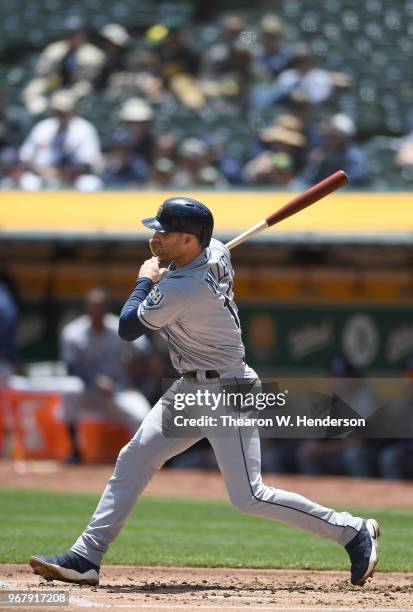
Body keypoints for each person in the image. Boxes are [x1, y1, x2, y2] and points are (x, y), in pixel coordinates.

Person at [30, 198, 379, 587]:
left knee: (249, 496)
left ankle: (352, 530)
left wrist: (145, 278)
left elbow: (127, 327)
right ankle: (86, 556)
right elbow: (204, 255)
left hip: (227, 389)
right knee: (135, 457)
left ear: (188, 239)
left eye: (164, 232)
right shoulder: (212, 253)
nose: (155, 237)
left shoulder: (185, 286)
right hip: (189, 388)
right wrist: (174, 266)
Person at [60, 288, 151, 464]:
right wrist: (93, 381)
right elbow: (71, 368)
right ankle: (75, 451)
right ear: (87, 308)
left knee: (143, 416)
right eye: (93, 307)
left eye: (100, 307)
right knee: (70, 388)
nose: (97, 311)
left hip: (118, 390)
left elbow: (145, 355)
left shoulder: (120, 327)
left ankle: (139, 460)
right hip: (89, 392)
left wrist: (135, 381)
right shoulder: (73, 332)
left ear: (106, 308)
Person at [19, 89, 102, 189]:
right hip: (43, 177)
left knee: (89, 183)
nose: (61, 114)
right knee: (28, 181)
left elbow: (88, 165)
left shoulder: (84, 129)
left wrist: (59, 172)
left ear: (72, 110)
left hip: (74, 178)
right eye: (57, 111)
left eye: (64, 111)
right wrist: (40, 171)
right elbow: (25, 158)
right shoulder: (42, 128)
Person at [22, 16, 105, 115]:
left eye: (76, 34)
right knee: (33, 88)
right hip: (54, 85)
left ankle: (61, 114)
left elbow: (88, 81)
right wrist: (50, 83)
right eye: (70, 34)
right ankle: (36, 116)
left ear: (83, 35)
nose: (72, 37)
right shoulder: (54, 49)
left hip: (75, 88)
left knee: (79, 91)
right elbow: (42, 74)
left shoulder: (94, 55)